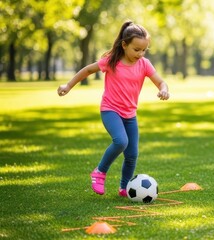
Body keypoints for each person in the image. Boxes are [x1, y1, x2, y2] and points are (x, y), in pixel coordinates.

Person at [57, 21, 170, 197]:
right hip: (110, 110)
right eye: (136, 49)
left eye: (144, 50)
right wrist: (68, 85)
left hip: (130, 114)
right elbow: (88, 70)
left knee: (132, 154)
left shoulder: (144, 64)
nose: (140, 54)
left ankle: (124, 188)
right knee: (121, 141)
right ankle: (99, 172)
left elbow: (160, 81)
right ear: (124, 45)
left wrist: (164, 89)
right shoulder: (112, 61)